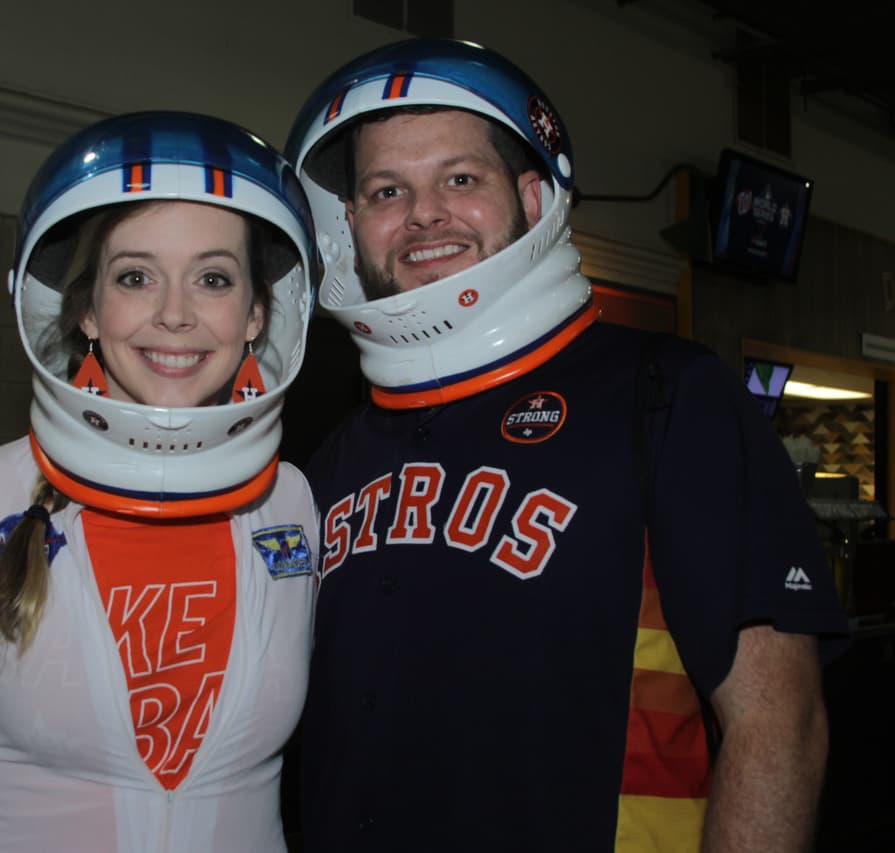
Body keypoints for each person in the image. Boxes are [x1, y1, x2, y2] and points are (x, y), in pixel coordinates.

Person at [284, 39, 850, 851]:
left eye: (460, 178)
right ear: (349, 227)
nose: (423, 214)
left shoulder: (667, 395)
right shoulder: (327, 457)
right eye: (386, 190)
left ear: (532, 194)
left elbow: (779, 725)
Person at [0, 111, 321, 853]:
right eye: (136, 277)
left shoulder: (291, 502)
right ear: (88, 312)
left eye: (213, 278)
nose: (175, 314)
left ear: (256, 315)